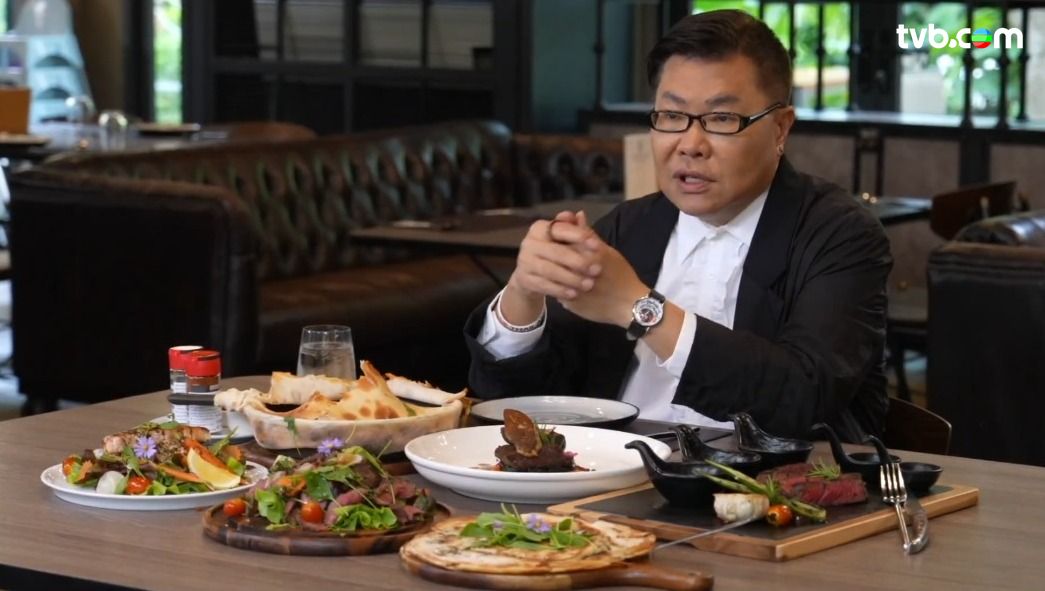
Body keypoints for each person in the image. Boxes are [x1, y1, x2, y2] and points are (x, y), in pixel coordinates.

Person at [464, 10, 891, 442]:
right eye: (671, 115)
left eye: (721, 119)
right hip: (610, 470)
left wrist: (638, 307)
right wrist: (524, 293)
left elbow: (803, 398)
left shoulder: (839, 235)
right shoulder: (629, 227)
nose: (690, 145)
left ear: (780, 128)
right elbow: (520, 404)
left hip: (764, 479)